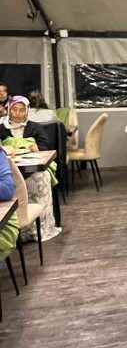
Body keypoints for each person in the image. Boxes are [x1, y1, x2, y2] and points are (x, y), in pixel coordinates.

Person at [0, 96, 59, 242]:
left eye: (21, 110)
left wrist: (37, 148)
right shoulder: (1, 128)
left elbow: (45, 147)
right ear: (9, 110)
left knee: (41, 177)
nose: (17, 113)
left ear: (27, 111)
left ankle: (39, 228)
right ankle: (16, 231)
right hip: (8, 167)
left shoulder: (35, 127)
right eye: (14, 109)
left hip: (33, 166)